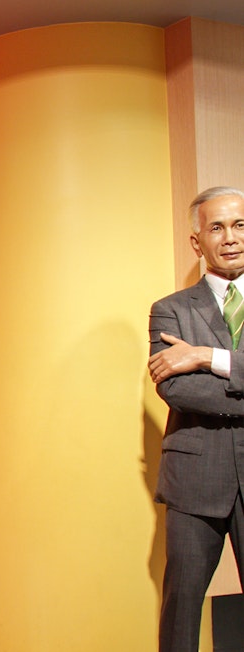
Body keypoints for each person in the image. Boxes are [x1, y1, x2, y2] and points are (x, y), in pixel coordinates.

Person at [148, 185, 244, 652]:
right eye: (217, 227)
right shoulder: (170, 309)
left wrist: (207, 356)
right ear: (197, 241)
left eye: (240, 225)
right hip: (194, 480)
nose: (231, 238)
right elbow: (176, 389)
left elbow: (196, 376)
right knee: (182, 606)